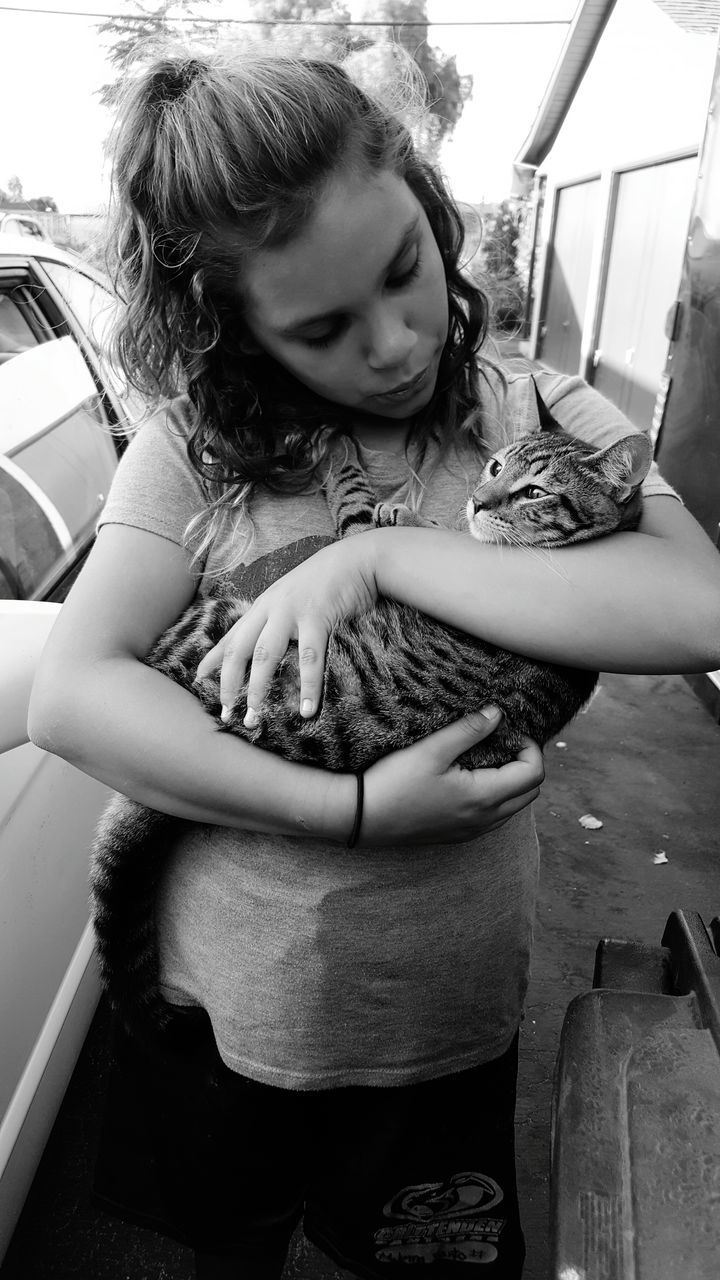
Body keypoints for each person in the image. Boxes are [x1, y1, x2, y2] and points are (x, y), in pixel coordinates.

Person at [28, 39, 720, 1280]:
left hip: (441, 1021)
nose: (397, 344)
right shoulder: (197, 448)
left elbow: (700, 607)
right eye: (323, 327)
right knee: (218, 1250)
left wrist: (379, 561)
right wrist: (348, 809)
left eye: (407, 268)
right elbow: (77, 694)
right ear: (231, 327)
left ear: (429, 203)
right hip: (219, 1006)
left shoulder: (537, 412)